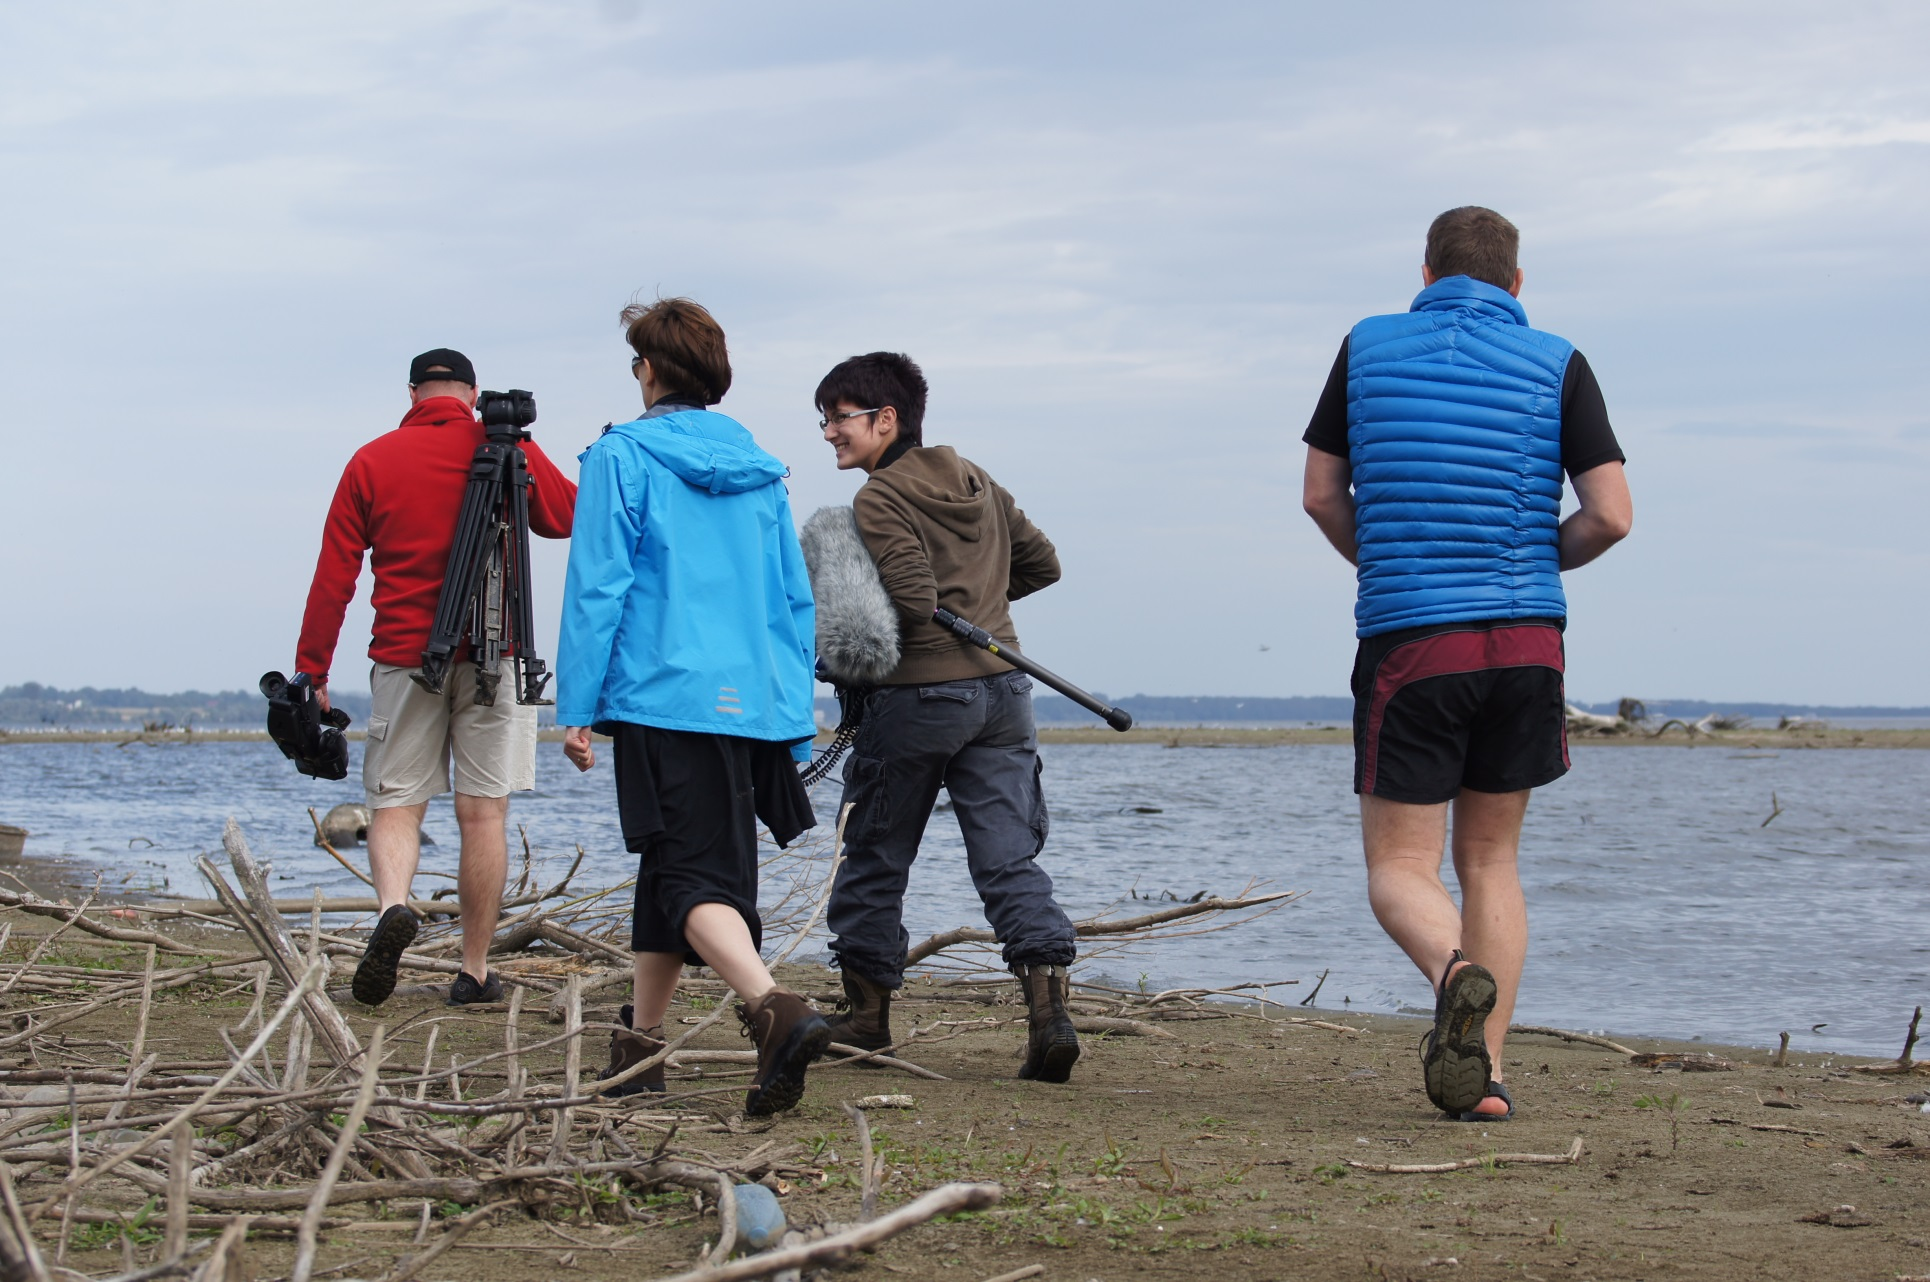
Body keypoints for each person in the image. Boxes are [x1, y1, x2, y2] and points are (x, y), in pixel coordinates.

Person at [1301, 207, 1634, 1121]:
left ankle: (1456, 976)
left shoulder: (1368, 346)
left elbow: (1321, 496)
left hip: (1416, 639)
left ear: (1424, 271)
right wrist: (1529, 563)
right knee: (1491, 862)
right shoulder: (1558, 360)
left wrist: (1391, 565)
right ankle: (1481, 1078)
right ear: (1516, 284)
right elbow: (1609, 515)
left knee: (1400, 869)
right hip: (1529, 643)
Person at [555, 298, 826, 1117]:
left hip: (663, 694)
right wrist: (791, 711)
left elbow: (597, 586)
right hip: (749, 703)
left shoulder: (618, 456)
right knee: (672, 870)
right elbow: (793, 599)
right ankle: (639, 1048)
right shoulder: (760, 470)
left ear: (648, 370)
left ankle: (773, 1008)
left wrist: (575, 704)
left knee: (683, 874)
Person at [815, 352, 1083, 1083]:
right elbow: (1042, 564)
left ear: (886, 418)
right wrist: (983, 605)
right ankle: (1049, 1017)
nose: (828, 434)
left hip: (918, 699)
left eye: (838, 419)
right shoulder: (977, 480)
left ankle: (867, 1021)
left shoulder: (878, 499)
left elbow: (907, 597)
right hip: (1005, 693)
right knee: (1008, 859)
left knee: (871, 854)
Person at [297, 349, 577, 1009]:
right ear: (472, 393)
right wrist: (524, 449)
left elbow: (333, 576)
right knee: (484, 816)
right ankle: (474, 970)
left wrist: (312, 670)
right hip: (496, 658)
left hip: (401, 657)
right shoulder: (506, 450)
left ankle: (394, 908)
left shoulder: (371, 459)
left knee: (396, 804)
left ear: (412, 393)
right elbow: (565, 518)